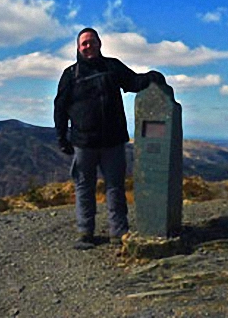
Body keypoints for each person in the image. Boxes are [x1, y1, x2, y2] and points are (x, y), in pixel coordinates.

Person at [54, 27, 166, 250]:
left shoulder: (112, 67)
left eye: (92, 42)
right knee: (84, 187)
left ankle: (119, 232)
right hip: (84, 143)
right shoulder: (70, 74)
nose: (88, 46)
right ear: (78, 48)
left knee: (115, 187)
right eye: (84, 43)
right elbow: (60, 107)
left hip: (113, 141)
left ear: (100, 44)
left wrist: (152, 77)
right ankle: (85, 233)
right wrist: (62, 137)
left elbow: (133, 82)